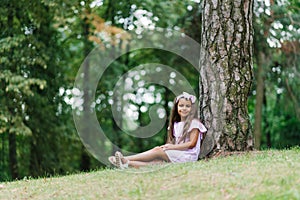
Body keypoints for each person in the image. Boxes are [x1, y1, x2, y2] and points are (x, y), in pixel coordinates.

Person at [108, 92, 207, 169]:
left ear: (192, 108)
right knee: (156, 162)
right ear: (176, 107)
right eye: (181, 105)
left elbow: (192, 144)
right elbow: (170, 143)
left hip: (188, 156)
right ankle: (126, 164)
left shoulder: (194, 123)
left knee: (157, 150)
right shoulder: (175, 124)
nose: (184, 108)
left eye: (187, 106)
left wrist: (172, 147)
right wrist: (169, 147)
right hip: (178, 154)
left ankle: (125, 158)